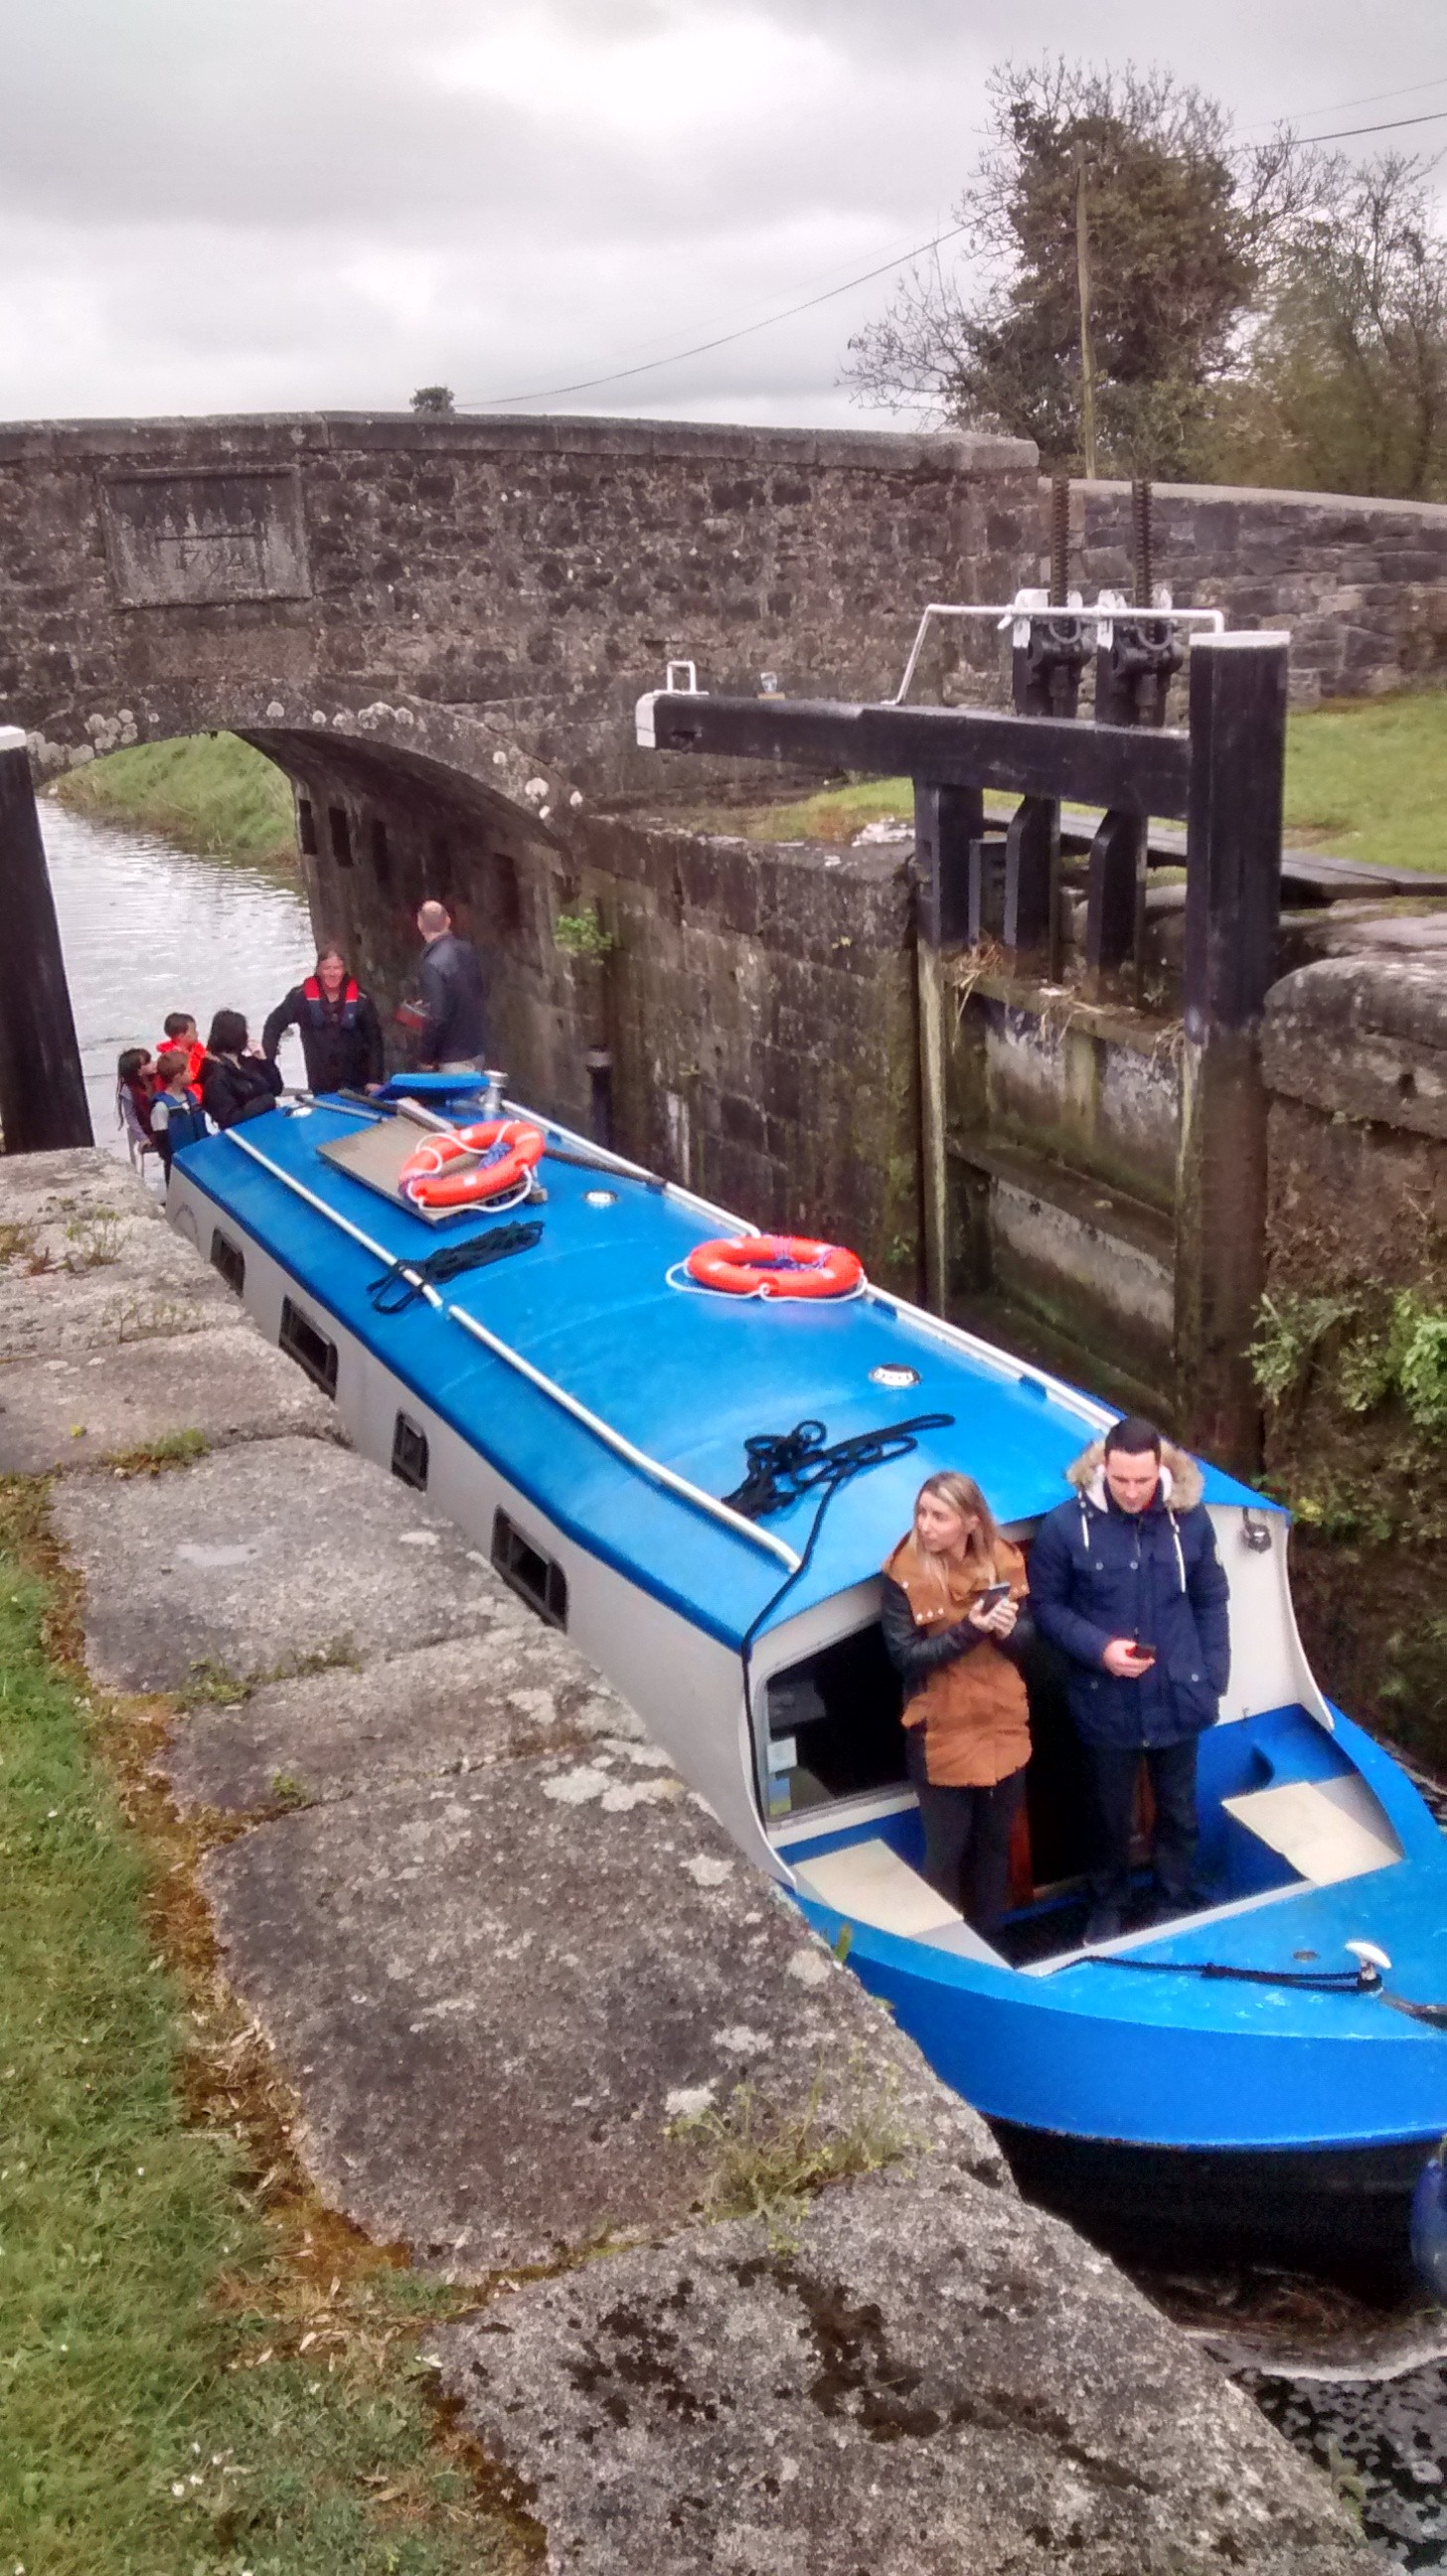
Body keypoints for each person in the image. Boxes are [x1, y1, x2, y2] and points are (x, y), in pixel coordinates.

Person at [1030, 1415, 1230, 1947]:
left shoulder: (1191, 1520)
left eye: (1143, 1481)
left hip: (1179, 1690)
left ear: (1159, 1469)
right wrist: (1100, 1650)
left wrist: (1214, 1676)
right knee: (1106, 1815)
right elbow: (1046, 1609)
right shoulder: (1063, 1527)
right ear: (1104, 1467)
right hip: (1105, 1698)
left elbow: (1211, 1600)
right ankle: (1107, 1904)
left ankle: (1174, 1894)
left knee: (1179, 1809)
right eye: (1122, 1481)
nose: (1133, 1492)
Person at [880, 1471, 1032, 1937]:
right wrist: (972, 1628)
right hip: (942, 1732)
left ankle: (991, 1942)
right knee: (946, 1854)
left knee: (993, 1847)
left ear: (969, 1522)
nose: (925, 1526)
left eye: (938, 1516)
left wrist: (1008, 1631)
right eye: (921, 1513)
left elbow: (1030, 1643)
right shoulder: (903, 1574)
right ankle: (944, 1947)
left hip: (1002, 1724)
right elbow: (905, 1658)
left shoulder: (1004, 1559)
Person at [261, 947, 385, 1095]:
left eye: (337, 968)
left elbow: (375, 1041)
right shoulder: (300, 998)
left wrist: (375, 1079)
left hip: (357, 1079)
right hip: (320, 1079)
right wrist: (268, 1061)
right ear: (318, 969)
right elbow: (273, 1024)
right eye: (327, 968)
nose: (332, 973)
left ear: (344, 969)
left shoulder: (362, 999)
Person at [412, 900, 486, 1072]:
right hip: (476, 1049)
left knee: (456, 1099)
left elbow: (437, 1017)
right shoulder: (468, 950)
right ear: (448, 920)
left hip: (452, 1056)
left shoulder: (432, 963)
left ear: (420, 924)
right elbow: (473, 993)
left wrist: (426, 1057)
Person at [200, 1011, 284, 1131]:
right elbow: (231, 1119)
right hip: (245, 1134)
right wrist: (266, 1101)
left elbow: (276, 1088)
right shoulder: (216, 1077)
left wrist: (264, 1060)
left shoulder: (246, 1062)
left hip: (268, 1124)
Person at [148, 1047, 210, 1179]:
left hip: (200, 1156)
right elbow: (161, 1140)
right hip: (178, 1164)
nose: (191, 1072)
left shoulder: (190, 1097)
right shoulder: (161, 1107)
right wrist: (172, 1159)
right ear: (178, 1076)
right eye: (188, 1070)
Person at [115, 1047, 157, 1167]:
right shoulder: (128, 1090)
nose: (154, 1063)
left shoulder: (158, 1080)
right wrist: (142, 1138)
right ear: (138, 1072)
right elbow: (131, 1118)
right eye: (148, 1062)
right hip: (146, 1129)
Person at [154, 1013, 207, 1098]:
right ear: (181, 1036)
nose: (197, 1033)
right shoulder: (170, 1060)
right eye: (193, 1031)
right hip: (186, 1099)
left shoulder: (197, 1050)